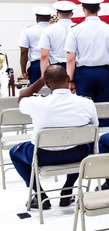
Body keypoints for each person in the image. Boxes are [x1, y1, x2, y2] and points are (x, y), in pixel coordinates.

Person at [9, 65, 97, 209]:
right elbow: (94, 127)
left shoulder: (37, 103)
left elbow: (22, 98)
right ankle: (68, 189)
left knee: (14, 152)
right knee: (82, 144)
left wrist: (41, 80)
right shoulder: (87, 103)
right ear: (68, 79)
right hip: (77, 155)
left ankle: (40, 194)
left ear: (46, 83)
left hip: (43, 156)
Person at [66, 0, 109, 108]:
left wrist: (70, 80)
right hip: (104, 73)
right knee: (104, 109)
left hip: (84, 73)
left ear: (83, 9)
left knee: (84, 110)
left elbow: (71, 59)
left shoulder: (75, 30)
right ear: (99, 9)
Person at [19, 5, 53, 85]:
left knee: (36, 93)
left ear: (37, 18)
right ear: (49, 18)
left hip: (36, 66)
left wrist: (23, 70)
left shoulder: (28, 31)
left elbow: (24, 52)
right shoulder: (55, 30)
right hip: (55, 65)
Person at [39, 0, 75, 74]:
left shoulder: (48, 30)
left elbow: (44, 55)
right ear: (71, 14)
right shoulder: (78, 28)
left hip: (56, 69)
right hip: (75, 67)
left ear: (57, 14)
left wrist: (44, 76)